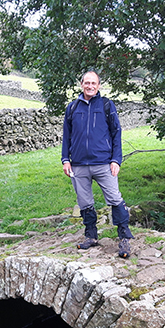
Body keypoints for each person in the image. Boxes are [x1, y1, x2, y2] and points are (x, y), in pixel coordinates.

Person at [61, 71, 134, 258]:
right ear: (81, 84)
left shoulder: (106, 105)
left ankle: (124, 238)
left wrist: (116, 159)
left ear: (99, 85)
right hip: (78, 164)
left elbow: (116, 133)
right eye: (87, 83)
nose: (90, 86)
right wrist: (65, 160)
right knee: (85, 202)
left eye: (94, 83)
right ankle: (91, 236)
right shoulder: (72, 108)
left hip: (104, 163)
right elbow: (66, 137)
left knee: (115, 199)